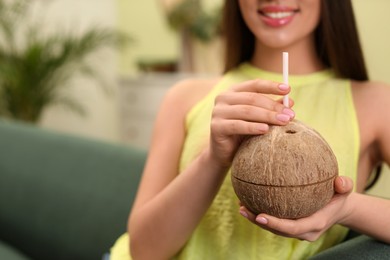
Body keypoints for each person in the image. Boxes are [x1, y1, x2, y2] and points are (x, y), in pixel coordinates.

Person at [110, 0, 390, 259]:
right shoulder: (185, 97)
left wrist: (349, 208)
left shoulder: (376, 103)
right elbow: (143, 250)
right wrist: (213, 159)